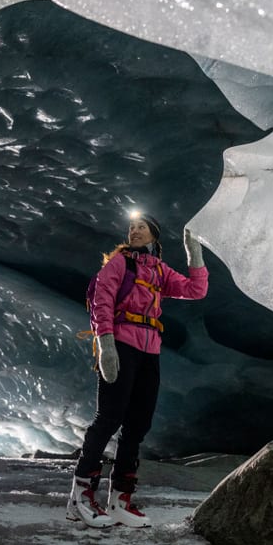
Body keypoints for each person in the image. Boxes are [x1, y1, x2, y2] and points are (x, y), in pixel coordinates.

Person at [66, 212, 208, 528]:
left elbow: (195, 291)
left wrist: (194, 254)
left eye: (141, 227)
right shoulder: (120, 262)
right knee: (108, 419)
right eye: (131, 227)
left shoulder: (158, 270)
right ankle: (79, 498)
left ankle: (119, 500)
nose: (134, 231)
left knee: (137, 425)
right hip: (121, 344)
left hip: (149, 350)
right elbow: (102, 300)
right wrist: (105, 343)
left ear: (154, 235)